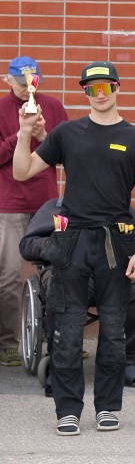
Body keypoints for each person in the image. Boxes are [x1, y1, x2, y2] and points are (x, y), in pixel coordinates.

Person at [13, 61, 135, 436]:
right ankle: (68, 409)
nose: (100, 94)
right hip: (71, 241)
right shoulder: (67, 133)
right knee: (67, 330)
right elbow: (22, 171)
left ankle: (107, 407)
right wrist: (25, 132)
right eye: (92, 88)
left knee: (113, 330)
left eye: (106, 87)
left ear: (117, 88)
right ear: (86, 93)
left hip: (114, 243)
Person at [20, 198, 135, 390]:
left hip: (118, 269)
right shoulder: (56, 208)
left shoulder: (120, 207)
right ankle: (62, 365)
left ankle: (126, 358)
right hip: (71, 269)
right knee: (60, 285)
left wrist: (126, 236)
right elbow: (27, 245)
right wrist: (55, 243)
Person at [0, 56, 68, 367]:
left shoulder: (52, 106)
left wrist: (43, 136)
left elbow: (69, 154)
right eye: (21, 83)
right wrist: (21, 134)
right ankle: (7, 343)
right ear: (7, 80)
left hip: (47, 203)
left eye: (33, 82)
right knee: (9, 277)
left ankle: (61, 339)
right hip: (10, 205)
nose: (28, 88)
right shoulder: (2, 108)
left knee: (60, 271)